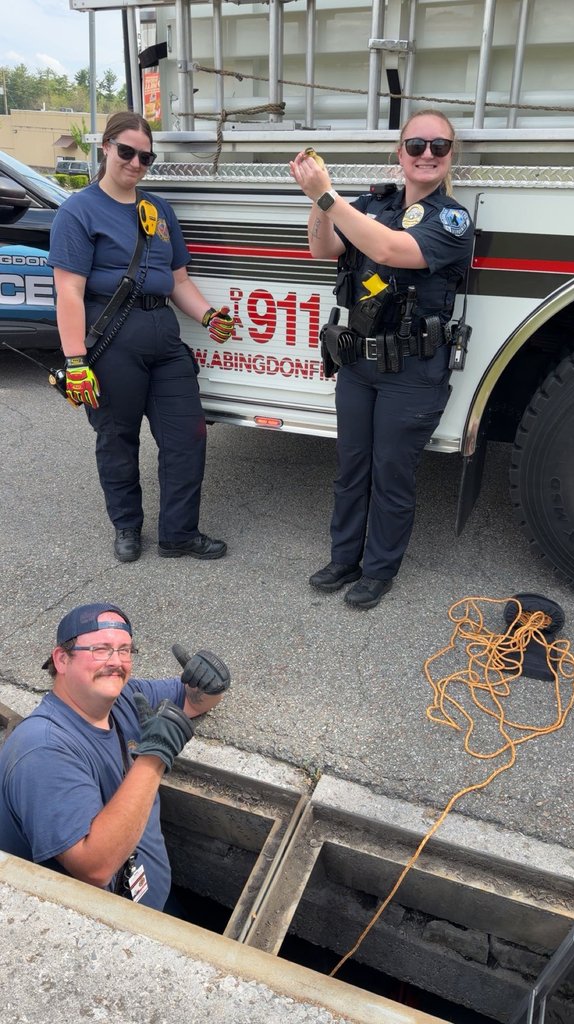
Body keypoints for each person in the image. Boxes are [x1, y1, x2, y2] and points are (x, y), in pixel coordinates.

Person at [289, 109, 474, 610]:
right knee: (351, 467)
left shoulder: (452, 220)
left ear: (450, 155)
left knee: (391, 473)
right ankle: (344, 557)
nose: (427, 155)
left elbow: (392, 252)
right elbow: (323, 249)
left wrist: (328, 195)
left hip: (412, 372)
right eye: (416, 145)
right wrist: (318, 204)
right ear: (401, 153)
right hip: (358, 363)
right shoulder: (376, 203)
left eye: (439, 146)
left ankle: (378, 570)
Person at [48, 111, 234, 564]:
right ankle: (127, 526)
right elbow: (69, 292)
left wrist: (208, 316)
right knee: (117, 437)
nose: (135, 163)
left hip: (165, 342)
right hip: (112, 344)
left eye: (145, 156)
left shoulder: (158, 210)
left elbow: (178, 281)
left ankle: (179, 534)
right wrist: (75, 362)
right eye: (127, 151)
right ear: (106, 148)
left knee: (187, 436)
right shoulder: (79, 211)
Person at [0, 602, 231, 911]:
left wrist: (211, 684)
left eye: (125, 650)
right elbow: (95, 868)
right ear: (61, 659)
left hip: (152, 894)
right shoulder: (42, 750)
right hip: (114, 926)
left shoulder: (125, 698)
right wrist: (154, 757)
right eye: (100, 649)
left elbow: (193, 701)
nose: (116, 662)